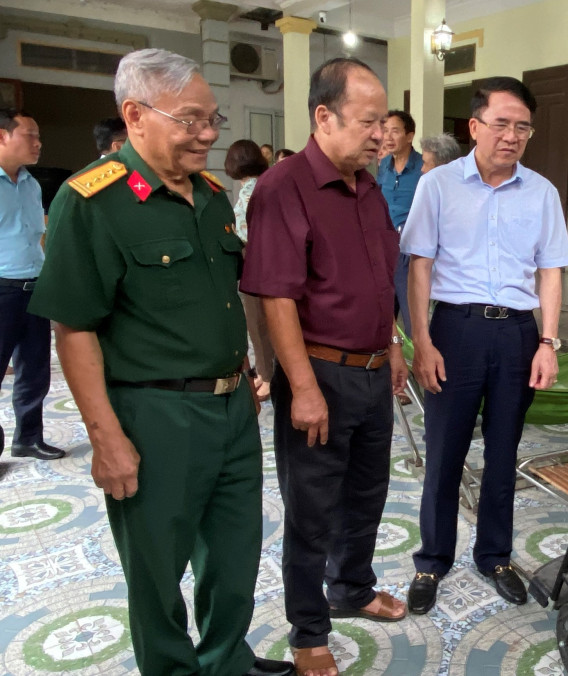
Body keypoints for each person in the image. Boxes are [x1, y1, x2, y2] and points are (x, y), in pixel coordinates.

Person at [27, 49, 293, 676]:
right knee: (156, 570)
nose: (208, 134)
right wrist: (105, 438)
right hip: (153, 417)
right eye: (190, 120)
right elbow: (74, 329)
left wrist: (249, 374)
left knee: (234, 557)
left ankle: (226, 662)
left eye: (212, 118)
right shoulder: (92, 201)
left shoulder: (210, 197)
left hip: (231, 408)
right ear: (135, 115)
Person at [240, 57, 408, 676]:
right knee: (311, 509)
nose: (381, 136)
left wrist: (393, 344)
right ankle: (309, 630)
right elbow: (276, 297)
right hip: (320, 374)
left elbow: (377, 280)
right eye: (369, 122)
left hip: (372, 370)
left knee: (367, 493)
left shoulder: (368, 187)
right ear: (324, 116)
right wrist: (303, 388)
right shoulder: (283, 187)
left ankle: (352, 588)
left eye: (384, 123)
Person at [401, 76, 568, 614]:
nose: (512, 136)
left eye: (523, 127)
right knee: (443, 453)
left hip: (518, 334)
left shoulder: (542, 192)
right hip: (455, 330)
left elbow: (550, 271)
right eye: (501, 124)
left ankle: (495, 556)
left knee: (504, 452)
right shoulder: (438, 185)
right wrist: (422, 340)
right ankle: (432, 561)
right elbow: (420, 266)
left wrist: (548, 342)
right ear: (474, 126)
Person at [0, 107, 65, 461]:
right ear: (2, 136)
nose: (38, 143)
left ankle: (29, 438)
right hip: (2, 288)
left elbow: (37, 235)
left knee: (35, 369)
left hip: (34, 287)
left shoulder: (32, 184)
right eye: (30, 136)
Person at [225, 139, 275, 399]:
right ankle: (268, 373)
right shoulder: (268, 184)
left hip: (254, 259)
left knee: (257, 323)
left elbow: (243, 232)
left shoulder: (248, 192)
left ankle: (267, 376)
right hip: (271, 259)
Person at [377, 110, 422, 337]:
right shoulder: (384, 165)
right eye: (385, 131)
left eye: (395, 131)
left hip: (411, 252)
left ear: (409, 136)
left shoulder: (423, 166)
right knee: (383, 318)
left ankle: (419, 357)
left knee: (413, 318)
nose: (388, 137)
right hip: (385, 249)